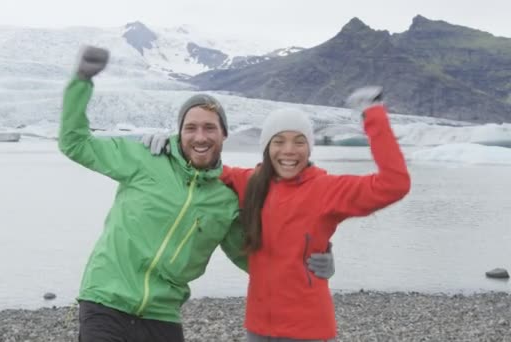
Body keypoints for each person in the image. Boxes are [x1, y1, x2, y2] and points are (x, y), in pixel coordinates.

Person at [58, 45, 335, 342]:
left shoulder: (225, 199)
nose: (200, 137)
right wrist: (82, 81)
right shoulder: (146, 158)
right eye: (190, 128)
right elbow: (74, 143)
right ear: (180, 132)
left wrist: (317, 259)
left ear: (224, 134)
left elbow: (259, 261)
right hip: (106, 301)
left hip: (162, 315)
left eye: (209, 128)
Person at [145, 86, 411, 341]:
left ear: (309, 148)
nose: (288, 151)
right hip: (258, 328)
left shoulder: (327, 189)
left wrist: (373, 114)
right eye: (279, 141)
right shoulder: (250, 183)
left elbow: (394, 184)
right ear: (266, 147)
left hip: (308, 330)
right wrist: (169, 147)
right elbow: (202, 167)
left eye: (298, 141)